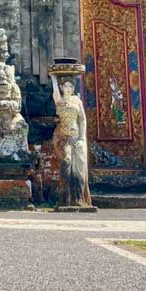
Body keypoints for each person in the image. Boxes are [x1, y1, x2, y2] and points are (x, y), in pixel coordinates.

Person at [50, 77, 92, 208]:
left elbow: (82, 120)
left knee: (79, 169)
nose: (68, 89)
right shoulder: (59, 100)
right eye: (66, 86)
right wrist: (53, 78)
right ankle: (65, 198)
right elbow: (55, 90)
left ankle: (78, 199)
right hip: (63, 137)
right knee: (66, 161)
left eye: (70, 86)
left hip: (77, 136)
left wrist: (82, 138)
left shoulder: (77, 100)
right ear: (62, 88)